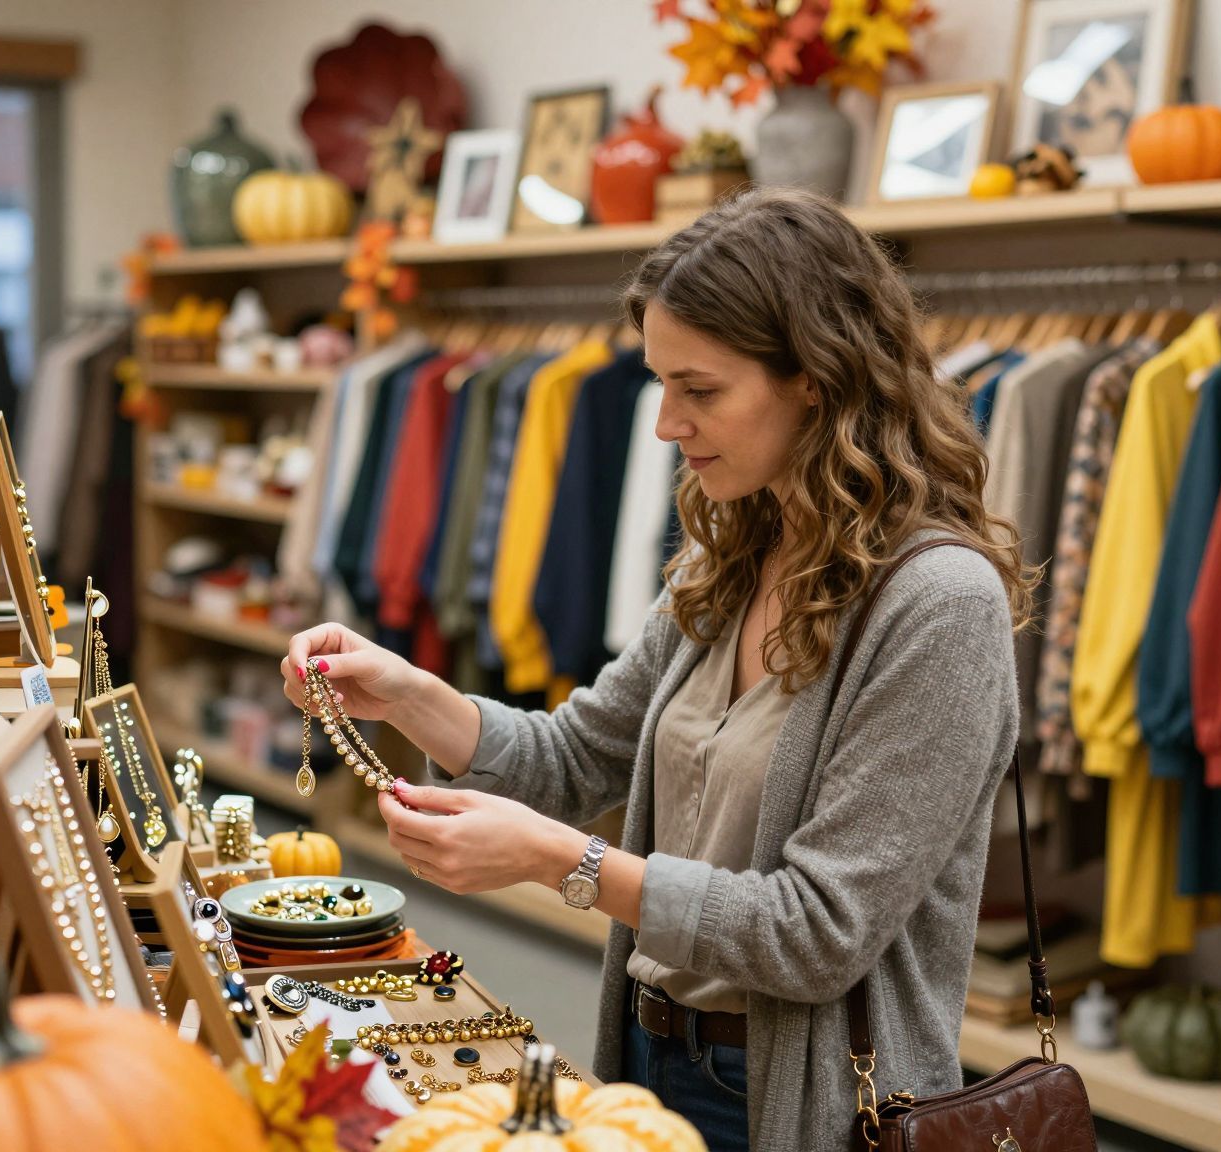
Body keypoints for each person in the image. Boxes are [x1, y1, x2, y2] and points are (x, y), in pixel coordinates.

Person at [282, 186, 1028, 1151]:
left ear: (816, 376)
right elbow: (577, 755)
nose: (667, 423)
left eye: (702, 390)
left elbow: (817, 932)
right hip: (646, 1054)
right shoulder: (731, 556)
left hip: (806, 1103)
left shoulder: (939, 608)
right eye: (660, 385)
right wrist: (408, 694)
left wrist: (565, 864)